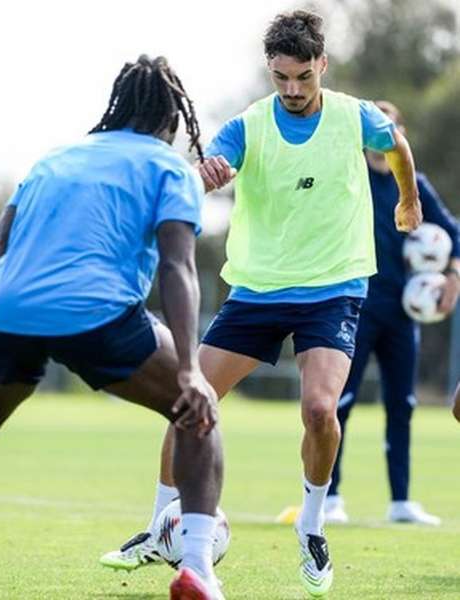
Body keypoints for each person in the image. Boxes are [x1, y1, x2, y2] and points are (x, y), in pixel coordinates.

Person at [98, 11, 422, 598]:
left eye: (303, 77)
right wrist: (207, 177)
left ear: (321, 65)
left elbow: (396, 144)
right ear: (269, 71)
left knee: (321, 410)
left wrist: (407, 200)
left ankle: (313, 523)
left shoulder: (354, 116)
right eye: (281, 79)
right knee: (186, 402)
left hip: (333, 287)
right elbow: (201, 173)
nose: (293, 90)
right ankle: (157, 527)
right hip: (257, 289)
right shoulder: (249, 126)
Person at [0, 55, 225, 600]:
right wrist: (189, 370)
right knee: (196, 416)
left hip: (9, 313)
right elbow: (178, 267)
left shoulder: (53, 160)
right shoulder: (170, 167)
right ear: (172, 120)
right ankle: (199, 569)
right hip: (97, 315)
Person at [324, 101, 460, 527]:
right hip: (355, 309)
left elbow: (454, 233)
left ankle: (400, 501)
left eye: (391, 130)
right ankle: (330, 497)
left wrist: (452, 276)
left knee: (402, 405)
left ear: (399, 135)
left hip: (403, 314)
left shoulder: (414, 183)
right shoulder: (351, 181)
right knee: (338, 404)